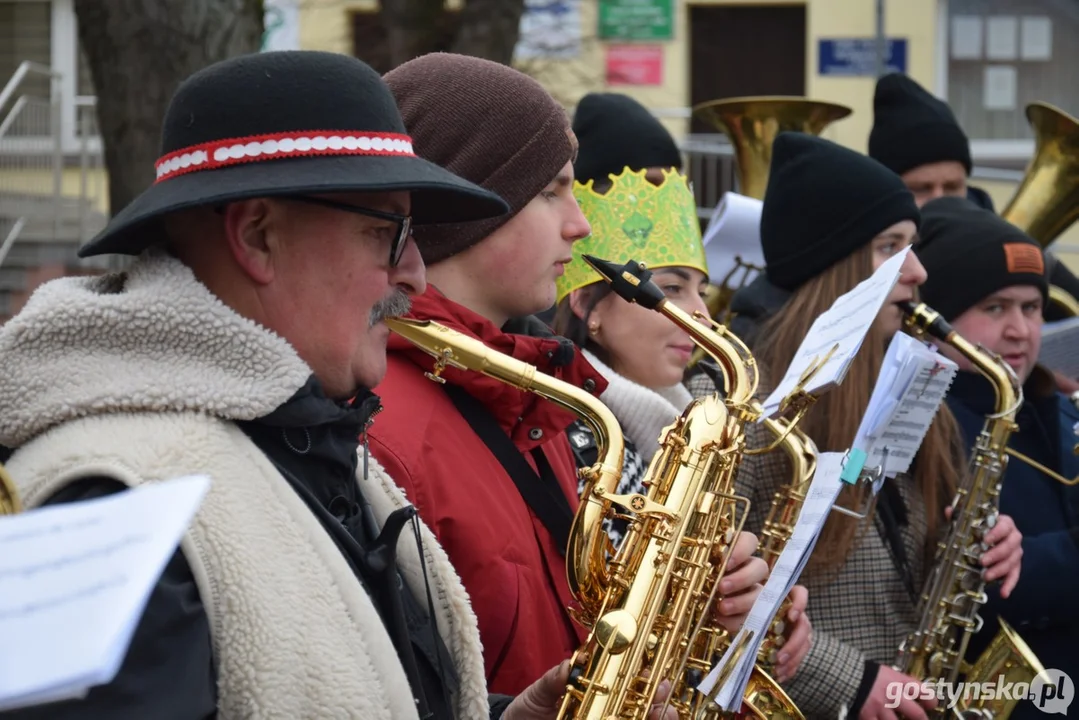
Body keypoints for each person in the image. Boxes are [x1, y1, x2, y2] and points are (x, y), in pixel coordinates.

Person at [0, 50, 642, 720]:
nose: (415, 275)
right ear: (258, 237)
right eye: (387, 233)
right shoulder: (110, 503)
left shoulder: (291, 440)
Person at [366, 52, 768, 698]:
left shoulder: (528, 391)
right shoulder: (384, 430)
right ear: (470, 201)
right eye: (550, 190)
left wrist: (692, 617)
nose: (579, 225)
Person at [731, 132, 1025, 720]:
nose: (917, 271)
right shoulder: (745, 409)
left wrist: (982, 544)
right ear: (836, 271)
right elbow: (715, 596)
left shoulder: (915, 384)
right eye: (891, 247)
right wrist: (851, 681)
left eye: (912, 246)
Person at [549, 165, 812, 684]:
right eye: (669, 288)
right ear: (587, 307)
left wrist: (757, 603)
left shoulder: (689, 418)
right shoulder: (566, 435)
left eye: (700, 291)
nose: (701, 316)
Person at [915, 196, 1079, 720]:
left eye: (1031, 308)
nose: (1020, 330)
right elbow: (974, 585)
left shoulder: (1059, 411)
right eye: (994, 308)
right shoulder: (924, 426)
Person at [868, 71, 1079, 328]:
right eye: (921, 188)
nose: (939, 199)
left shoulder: (1027, 253)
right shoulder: (872, 260)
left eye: (952, 186)